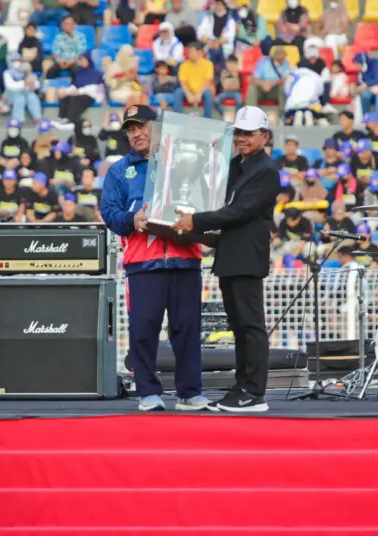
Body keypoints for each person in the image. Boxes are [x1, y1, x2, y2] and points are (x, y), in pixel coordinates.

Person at [99, 104, 210, 412]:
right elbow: (109, 213)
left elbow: (204, 201)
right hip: (142, 261)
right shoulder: (119, 170)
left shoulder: (185, 163)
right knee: (143, 327)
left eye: (142, 126)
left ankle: (190, 392)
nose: (137, 133)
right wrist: (132, 220)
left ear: (158, 127)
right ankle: (148, 391)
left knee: (187, 327)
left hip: (185, 256)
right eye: (131, 129)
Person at [171, 106, 280, 412]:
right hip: (231, 253)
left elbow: (238, 211)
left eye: (248, 133)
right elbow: (218, 198)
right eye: (238, 133)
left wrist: (196, 220)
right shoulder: (238, 166)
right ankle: (243, 386)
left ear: (264, 137)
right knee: (239, 324)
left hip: (245, 254)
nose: (242, 138)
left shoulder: (266, 171)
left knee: (250, 324)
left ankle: (254, 391)